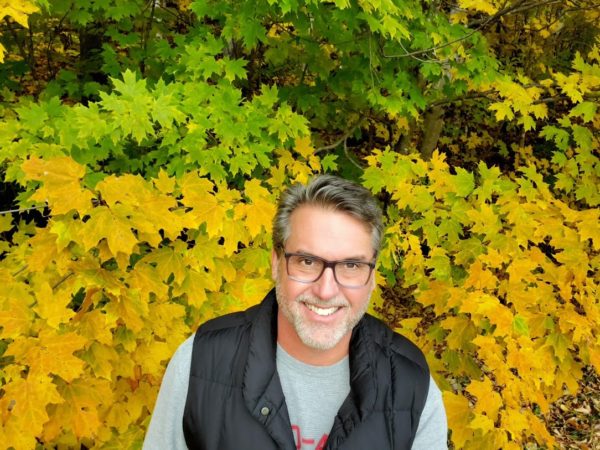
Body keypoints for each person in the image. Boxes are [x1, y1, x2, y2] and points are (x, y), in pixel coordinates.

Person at [143, 175, 447, 450]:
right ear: (276, 263)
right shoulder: (201, 363)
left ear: (372, 275)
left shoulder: (410, 384)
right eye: (307, 262)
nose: (326, 290)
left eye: (351, 266)